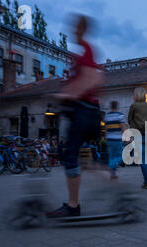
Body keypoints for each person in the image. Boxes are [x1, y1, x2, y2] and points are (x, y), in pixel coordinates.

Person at [46, 14, 103, 218]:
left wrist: (67, 94)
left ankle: (73, 206)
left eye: (76, 27)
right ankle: (110, 179)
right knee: (74, 156)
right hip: (81, 111)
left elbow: (92, 79)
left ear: (82, 29)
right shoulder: (79, 54)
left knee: (70, 156)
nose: (73, 30)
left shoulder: (86, 50)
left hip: (84, 111)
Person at [128, 87, 147, 189]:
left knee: (143, 159)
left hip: (139, 134)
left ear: (136, 95)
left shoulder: (134, 106)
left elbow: (130, 120)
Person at [104, 101, 126, 179]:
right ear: (117, 107)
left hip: (109, 140)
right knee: (121, 157)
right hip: (117, 140)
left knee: (111, 156)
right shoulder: (120, 115)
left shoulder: (106, 116)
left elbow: (106, 129)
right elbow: (123, 128)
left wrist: (106, 137)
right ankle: (111, 166)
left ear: (111, 107)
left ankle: (113, 174)